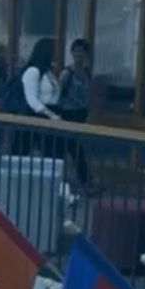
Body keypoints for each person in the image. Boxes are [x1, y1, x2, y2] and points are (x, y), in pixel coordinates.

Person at [58, 39, 94, 187]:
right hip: (68, 113)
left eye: (82, 51)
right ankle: (85, 178)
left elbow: (87, 93)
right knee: (73, 147)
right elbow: (58, 92)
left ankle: (83, 178)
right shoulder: (67, 72)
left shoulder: (86, 72)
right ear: (72, 53)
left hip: (81, 113)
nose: (79, 54)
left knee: (76, 146)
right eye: (76, 51)